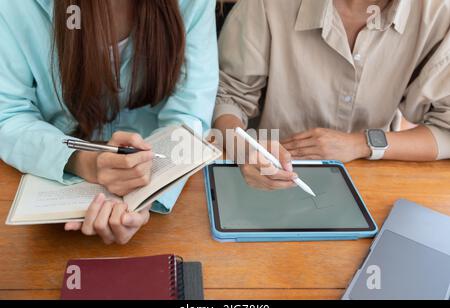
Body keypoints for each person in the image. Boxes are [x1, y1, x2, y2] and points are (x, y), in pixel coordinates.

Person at [0, 0, 218, 244]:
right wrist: (81, 161)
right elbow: (8, 116)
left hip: (158, 207)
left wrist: (146, 193)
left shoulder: (193, 4)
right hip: (50, 194)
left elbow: (189, 116)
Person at [214, 0, 450, 190]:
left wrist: (361, 144)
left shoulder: (439, 14)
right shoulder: (267, 5)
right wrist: (245, 152)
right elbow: (228, 99)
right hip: (266, 178)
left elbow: (446, 128)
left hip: (372, 180)